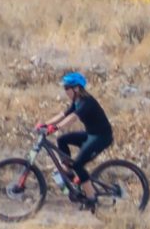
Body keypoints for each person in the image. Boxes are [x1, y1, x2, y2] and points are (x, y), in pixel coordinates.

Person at [42, 71, 113, 199]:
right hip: (91, 134)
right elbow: (63, 115)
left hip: (102, 137)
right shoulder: (77, 101)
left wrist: (56, 127)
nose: (65, 91)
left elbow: (73, 118)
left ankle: (91, 197)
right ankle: (68, 170)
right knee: (62, 139)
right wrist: (44, 125)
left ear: (76, 88)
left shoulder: (87, 102)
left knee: (78, 164)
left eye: (67, 88)